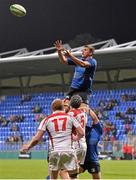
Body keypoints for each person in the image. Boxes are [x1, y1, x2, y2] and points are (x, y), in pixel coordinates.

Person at [20, 99, 84, 179]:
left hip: (54, 152)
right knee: (73, 176)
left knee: (53, 177)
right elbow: (81, 133)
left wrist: (28, 146)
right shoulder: (70, 118)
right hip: (69, 151)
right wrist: (75, 138)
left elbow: (37, 138)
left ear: (52, 108)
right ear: (63, 108)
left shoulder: (46, 120)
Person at [54, 40, 97, 105]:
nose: (82, 51)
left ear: (90, 53)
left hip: (83, 90)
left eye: (85, 50)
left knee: (83, 109)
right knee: (64, 106)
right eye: (82, 50)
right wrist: (59, 51)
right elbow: (63, 61)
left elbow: (83, 64)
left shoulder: (92, 61)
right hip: (72, 89)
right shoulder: (79, 60)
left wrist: (70, 55)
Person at [80, 108, 103, 179]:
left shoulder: (98, 130)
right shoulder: (83, 128)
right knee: (72, 175)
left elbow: (95, 119)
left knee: (97, 178)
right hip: (80, 158)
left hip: (92, 159)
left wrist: (88, 110)